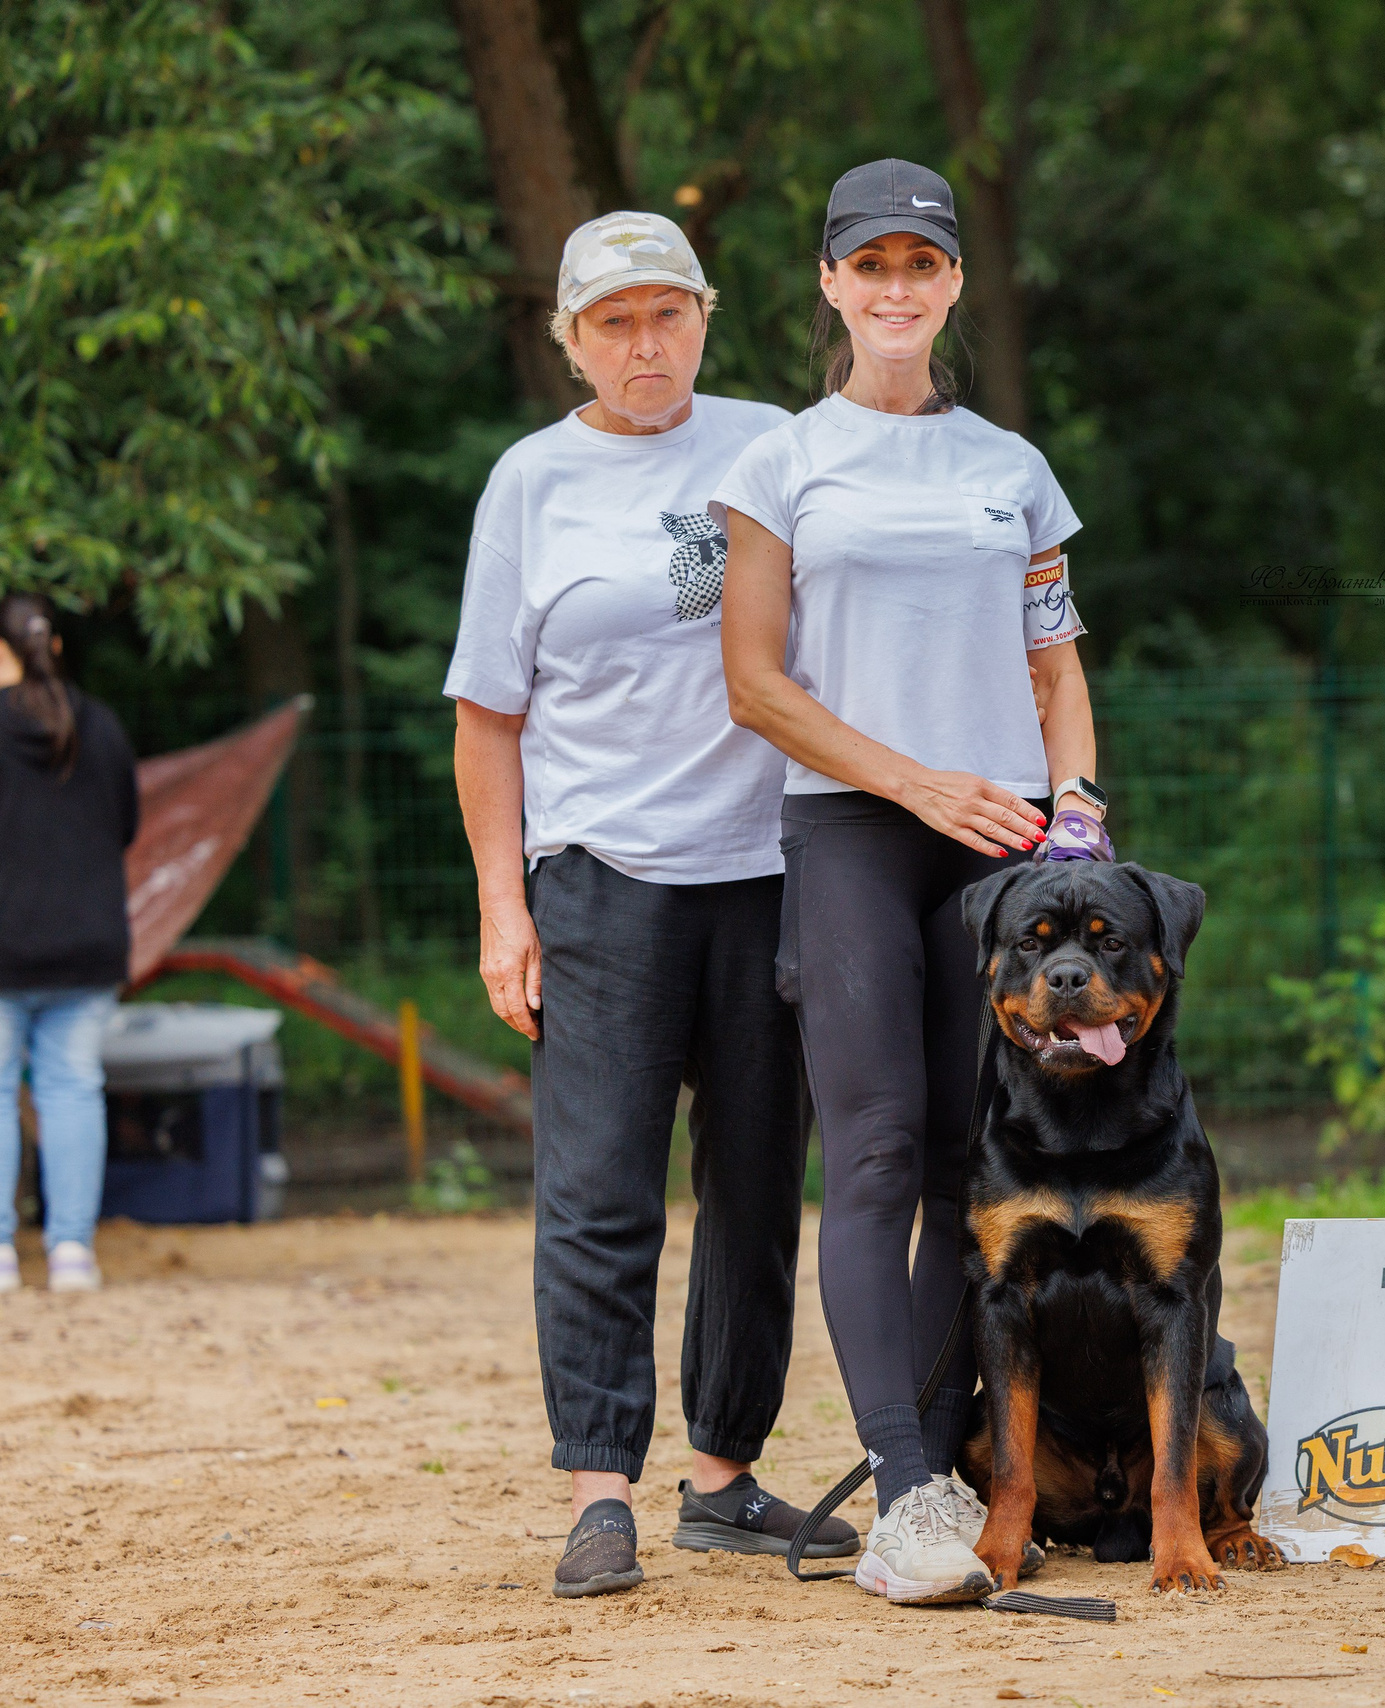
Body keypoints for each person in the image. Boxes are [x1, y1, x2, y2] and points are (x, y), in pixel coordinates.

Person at [717, 158, 1107, 1607]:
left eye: (920, 266)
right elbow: (755, 684)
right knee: (876, 1151)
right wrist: (915, 781)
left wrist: (1078, 804)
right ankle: (903, 1495)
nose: (895, 288)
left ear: (951, 285)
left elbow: (1057, 668)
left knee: (967, 1165)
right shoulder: (778, 465)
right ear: (830, 283)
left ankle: (947, 1463)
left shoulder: (1012, 468)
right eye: (867, 265)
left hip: (1003, 847)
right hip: (855, 834)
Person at [446, 211, 853, 1600]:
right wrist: (507, 908)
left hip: (770, 870)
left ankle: (725, 1479)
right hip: (601, 881)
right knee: (599, 1193)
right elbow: (487, 718)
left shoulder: (776, 445)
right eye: (612, 321)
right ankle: (600, 1489)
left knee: (755, 1188)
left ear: (705, 318)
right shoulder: (529, 485)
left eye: (666, 314)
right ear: (570, 338)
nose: (644, 343)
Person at [0, 595, 138, 1295]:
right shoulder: (101, 724)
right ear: (53, 647)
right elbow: (127, 826)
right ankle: (71, 1253)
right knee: (73, 1089)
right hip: (88, 941)